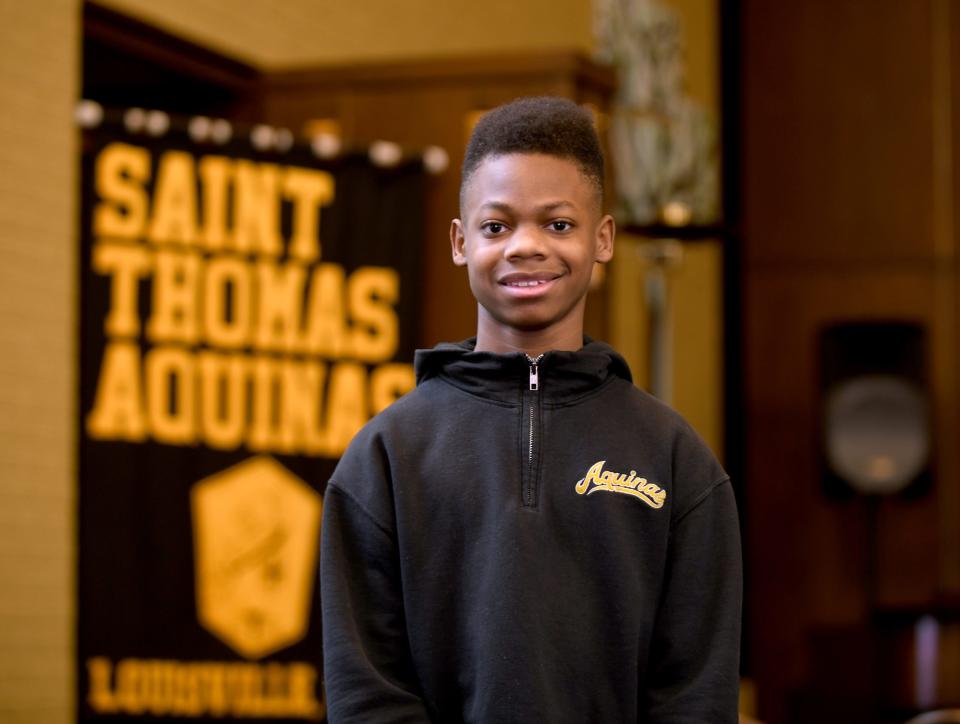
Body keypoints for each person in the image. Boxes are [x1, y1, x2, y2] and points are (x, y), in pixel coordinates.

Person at [320, 96, 742, 723]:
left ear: (603, 240)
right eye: (497, 226)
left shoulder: (675, 457)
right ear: (461, 242)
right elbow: (367, 693)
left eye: (559, 224)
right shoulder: (386, 454)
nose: (526, 246)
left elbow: (695, 695)